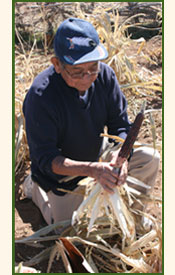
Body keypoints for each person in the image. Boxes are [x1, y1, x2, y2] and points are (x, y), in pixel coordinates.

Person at [23, 18, 160, 228]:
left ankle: (134, 216)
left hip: (98, 156)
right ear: (57, 64)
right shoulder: (41, 96)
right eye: (77, 71)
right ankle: (36, 189)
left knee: (149, 158)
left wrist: (121, 154)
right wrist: (93, 170)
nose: (87, 77)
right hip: (60, 176)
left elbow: (121, 126)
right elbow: (46, 158)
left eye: (93, 67)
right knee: (69, 230)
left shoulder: (105, 76)